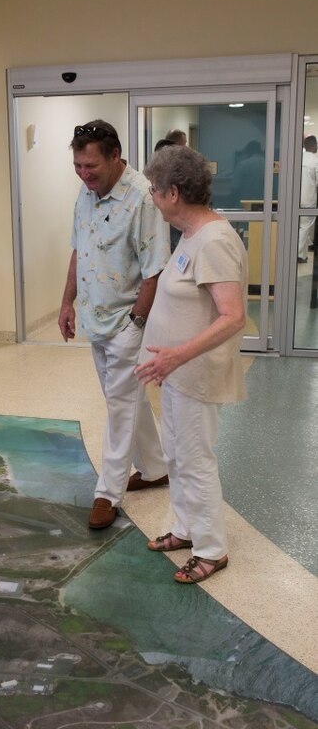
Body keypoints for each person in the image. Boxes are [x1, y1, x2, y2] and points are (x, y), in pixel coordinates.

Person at [135, 145, 248, 583]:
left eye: (154, 190)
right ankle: (185, 528)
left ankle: (212, 549)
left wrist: (178, 354)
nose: (151, 197)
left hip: (197, 373)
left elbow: (233, 315)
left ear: (174, 193)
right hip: (178, 374)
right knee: (178, 455)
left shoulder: (215, 240)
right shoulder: (189, 234)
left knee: (195, 459)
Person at [58, 119, 170, 530]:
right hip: (94, 319)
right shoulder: (85, 194)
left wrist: (136, 324)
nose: (85, 175)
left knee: (120, 407)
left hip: (127, 322)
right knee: (124, 399)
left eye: (93, 167)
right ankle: (156, 467)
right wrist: (67, 302)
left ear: (116, 157)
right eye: (78, 166)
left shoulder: (143, 198)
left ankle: (108, 492)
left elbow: (155, 270)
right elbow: (79, 249)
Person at [298, 135, 318, 263]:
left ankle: (302, 254)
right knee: (305, 227)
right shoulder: (315, 161)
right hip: (308, 199)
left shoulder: (298, 159)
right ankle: (299, 254)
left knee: (296, 226)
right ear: (314, 145)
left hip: (294, 199)